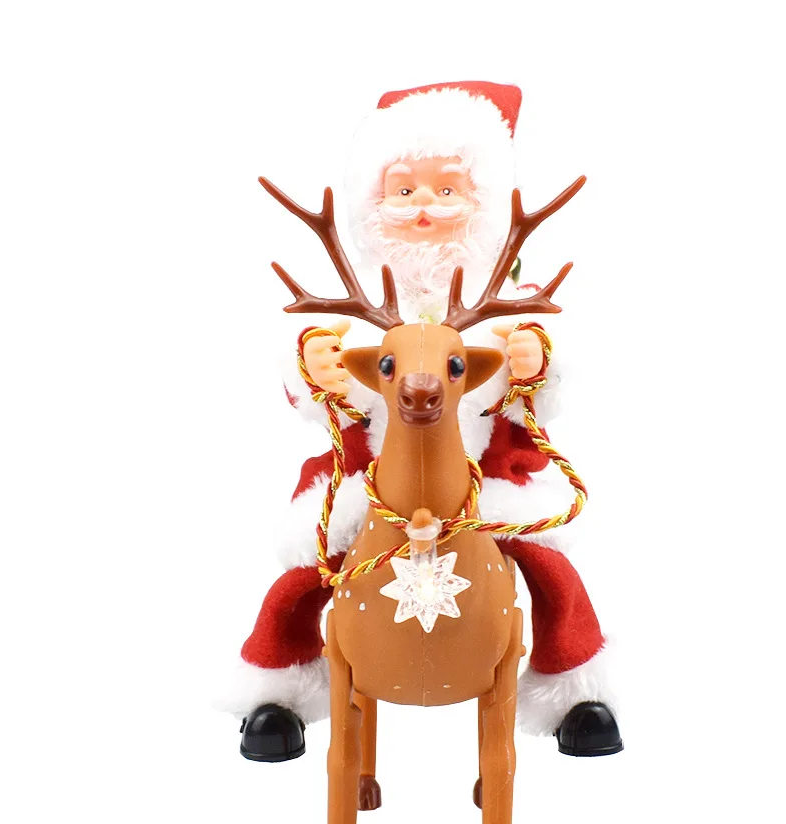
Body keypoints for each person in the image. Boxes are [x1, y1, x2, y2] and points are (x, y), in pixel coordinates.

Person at [220, 81, 622, 762]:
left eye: (446, 189)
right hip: (370, 475)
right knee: (306, 569)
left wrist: (535, 357)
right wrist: (315, 364)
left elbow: (548, 366)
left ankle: (570, 689)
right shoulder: (358, 305)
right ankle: (280, 686)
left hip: (487, 475)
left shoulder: (510, 300)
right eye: (403, 190)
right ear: (370, 203)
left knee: (550, 567)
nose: (424, 206)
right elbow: (315, 371)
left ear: (484, 201)